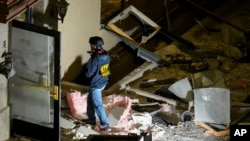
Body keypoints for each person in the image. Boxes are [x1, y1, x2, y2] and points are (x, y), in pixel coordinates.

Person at [84, 36, 111, 131]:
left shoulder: (95, 59)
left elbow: (88, 73)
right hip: (103, 81)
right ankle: (91, 119)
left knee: (98, 105)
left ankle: (105, 124)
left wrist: (91, 60)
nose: (90, 46)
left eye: (91, 44)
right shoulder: (106, 54)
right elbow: (102, 66)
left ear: (95, 46)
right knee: (90, 101)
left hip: (96, 84)